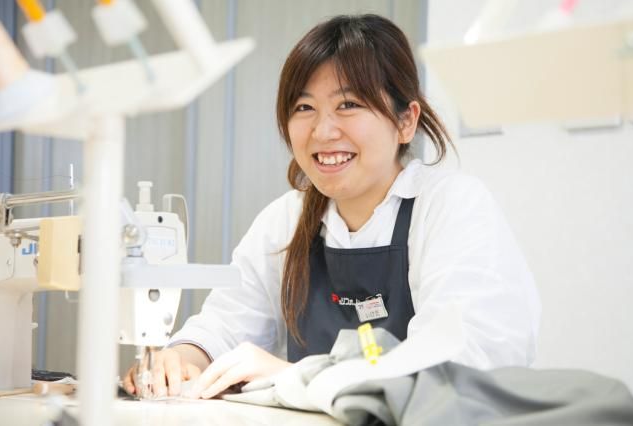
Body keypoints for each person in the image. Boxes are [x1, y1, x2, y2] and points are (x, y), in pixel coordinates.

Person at [123, 13, 541, 400]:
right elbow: (226, 323)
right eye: (304, 108)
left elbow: (463, 363)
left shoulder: (450, 206)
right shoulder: (285, 220)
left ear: (405, 121)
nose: (322, 131)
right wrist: (182, 357)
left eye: (349, 104)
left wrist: (298, 375)